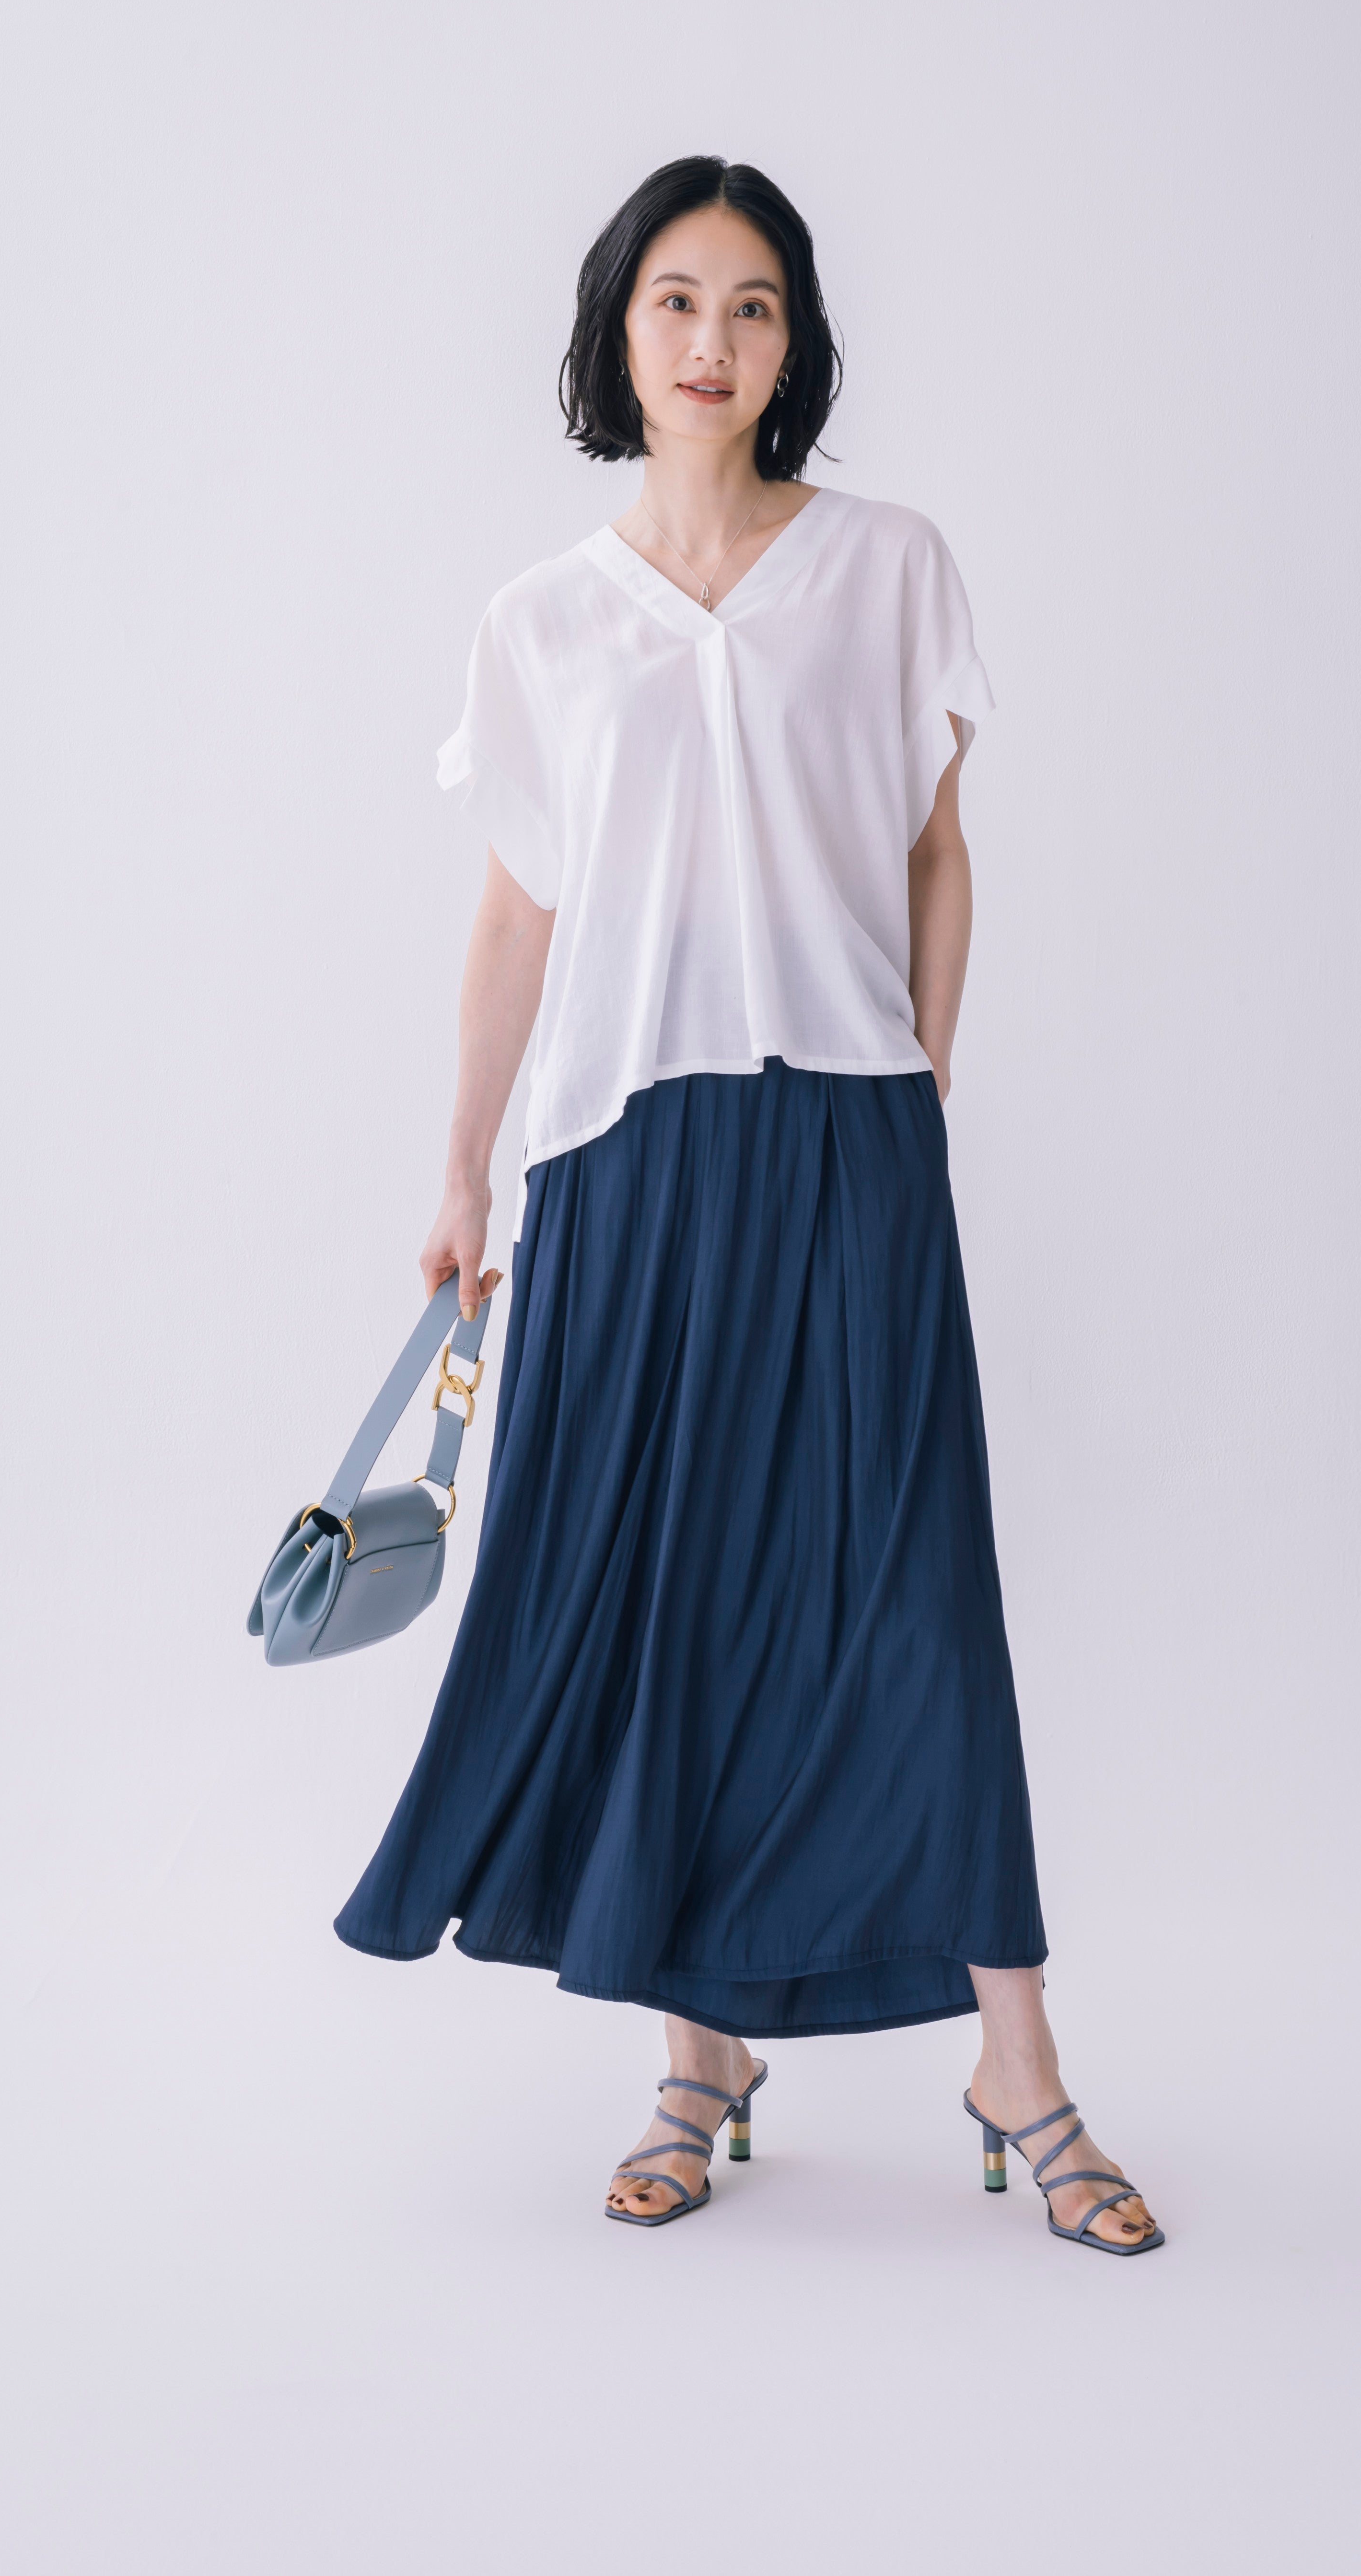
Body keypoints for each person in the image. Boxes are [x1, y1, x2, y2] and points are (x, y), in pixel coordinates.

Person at [333, 156, 1161, 2255]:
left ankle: (1017, 2059)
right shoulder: (541, 622)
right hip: (621, 1155)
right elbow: (517, 916)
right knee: (669, 1599)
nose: (714, 342)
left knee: (916, 1590)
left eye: (756, 306)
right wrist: (461, 1167)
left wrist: (920, 1080)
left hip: (847, 1134)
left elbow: (937, 848)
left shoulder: (886, 567)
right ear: (618, 331)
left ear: (797, 345)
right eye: (678, 301)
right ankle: (698, 2057)